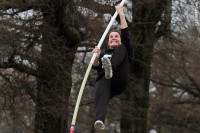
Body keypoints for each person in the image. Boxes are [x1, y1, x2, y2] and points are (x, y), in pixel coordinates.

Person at [92, 4, 133, 130]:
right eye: (111, 37)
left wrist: (121, 13)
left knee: (122, 49)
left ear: (119, 39)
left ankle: (111, 68)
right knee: (101, 82)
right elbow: (96, 67)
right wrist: (96, 57)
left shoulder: (124, 48)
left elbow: (125, 34)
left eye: (116, 36)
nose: (113, 38)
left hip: (119, 80)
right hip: (106, 81)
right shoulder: (104, 54)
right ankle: (99, 119)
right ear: (108, 42)